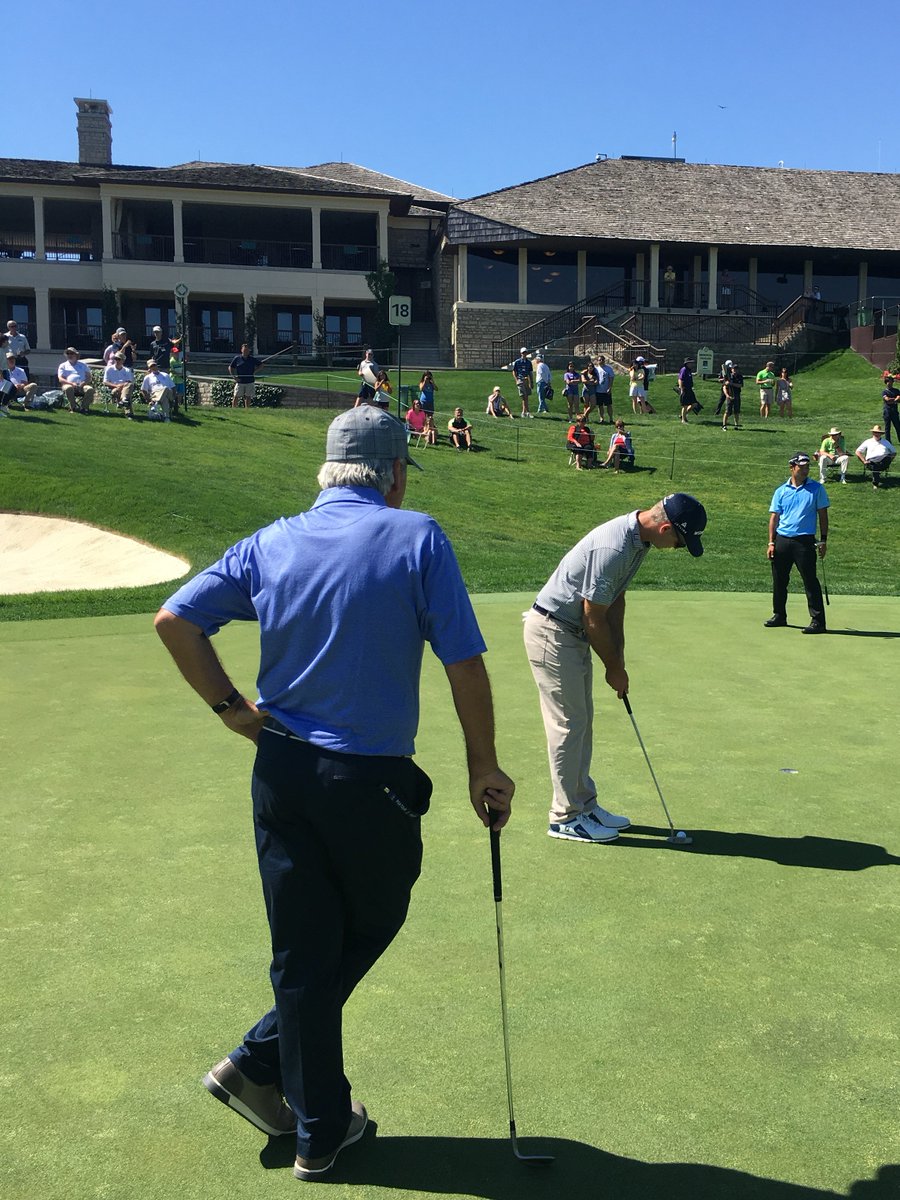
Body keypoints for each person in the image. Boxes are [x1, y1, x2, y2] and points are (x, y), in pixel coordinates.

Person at [154, 405, 514, 1180]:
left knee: (302, 950)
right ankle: (264, 1070)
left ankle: (309, 1121)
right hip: (367, 780)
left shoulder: (270, 542)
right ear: (392, 473)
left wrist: (233, 714)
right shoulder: (416, 535)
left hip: (280, 772)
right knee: (372, 921)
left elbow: (176, 621)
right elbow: (463, 663)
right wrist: (482, 765)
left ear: (327, 471)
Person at [524, 494, 707, 843]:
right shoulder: (616, 548)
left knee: (581, 721)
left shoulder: (639, 541)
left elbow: (615, 599)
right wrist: (613, 668)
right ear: (665, 528)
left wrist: (618, 658)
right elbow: (594, 617)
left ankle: (584, 804)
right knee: (568, 725)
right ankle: (564, 817)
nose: (678, 548)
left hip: (570, 632)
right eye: (680, 542)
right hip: (552, 631)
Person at [765, 453, 829, 634]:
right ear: (792, 467)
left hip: (804, 541)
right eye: (802, 466)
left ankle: (818, 621)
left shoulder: (817, 489)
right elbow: (774, 518)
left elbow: (823, 515)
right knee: (779, 580)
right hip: (782, 540)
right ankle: (779, 615)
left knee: (810, 581)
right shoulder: (781, 491)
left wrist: (823, 540)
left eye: (807, 466)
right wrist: (771, 542)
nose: (805, 469)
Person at [855, 425, 896, 489]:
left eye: (878, 433)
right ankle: (875, 483)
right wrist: (864, 461)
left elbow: (894, 452)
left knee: (886, 458)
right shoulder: (868, 441)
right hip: (871, 462)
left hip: (884, 461)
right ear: (873, 433)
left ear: (881, 434)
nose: (877, 434)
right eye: (875, 432)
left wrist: (890, 460)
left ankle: (875, 482)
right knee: (875, 465)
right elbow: (858, 452)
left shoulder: (886, 442)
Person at [57, 347, 95, 413]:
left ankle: (84, 408)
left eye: (71, 353)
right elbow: (60, 379)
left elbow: (89, 377)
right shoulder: (63, 365)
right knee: (69, 388)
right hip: (68, 385)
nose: (69, 355)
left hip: (82, 385)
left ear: (76, 355)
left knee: (90, 389)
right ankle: (73, 407)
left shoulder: (83, 365)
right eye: (68, 353)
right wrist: (71, 384)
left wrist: (83, 383)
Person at [102, 350, 136, 419]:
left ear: (123, 360)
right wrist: (116, 386)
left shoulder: (127, 370)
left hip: (124, 388)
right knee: (127, 393)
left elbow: (128, 382)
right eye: (116, 359)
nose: (117, 360)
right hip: (114, 389)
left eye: (119, 359)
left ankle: (123, 401)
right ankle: (128, 411)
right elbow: (105, 382)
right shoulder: (109, 369)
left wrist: (121, 386)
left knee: (129, 386)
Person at [229, 343, 263, 409]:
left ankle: (247, 409)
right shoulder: (237, 358)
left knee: (248, 396)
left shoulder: (252, 359)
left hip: (249, 381)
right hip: (240, 381)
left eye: (247, 350)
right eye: (244, 350)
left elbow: (261, 365)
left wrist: (255, 371)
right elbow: (230, 367)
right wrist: (234, 377)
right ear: (241, 350)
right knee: (236, 396)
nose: (246, 351)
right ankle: (233, 409)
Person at [511, 347, 533, 417]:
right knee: (524, 396)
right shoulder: (517, 362)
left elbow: (530, 372)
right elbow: (514, 371)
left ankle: (524, 412)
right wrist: (516, 380)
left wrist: (531, 382)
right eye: (523, 353)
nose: (524, 354)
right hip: (520, 379)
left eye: (525, 352)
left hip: (526, 379)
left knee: (526, 397)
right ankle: (528, 412)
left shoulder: (529, 362)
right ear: (521, 353)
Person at [880, 374, 900, 445]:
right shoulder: (884, 392)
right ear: (886, 382)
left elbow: (899, 398)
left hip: (894, 411)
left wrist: (893, 400)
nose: (890, 383)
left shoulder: (896, 390)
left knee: (898, 426)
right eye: (888, 381)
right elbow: (887, 399)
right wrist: (895, 400)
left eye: (891, 381)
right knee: (887, 428)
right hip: (887, 411)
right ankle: (888, 442)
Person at [596, 354, 615, 423]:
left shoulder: (608, 369)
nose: (601, 361)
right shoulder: (596, 369)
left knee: (609, 405)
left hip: (606, 390)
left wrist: (610, 387)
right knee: (600, 405)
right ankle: (602, 418)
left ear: (604, 361)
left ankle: (611, 419)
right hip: (598, 390)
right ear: (597, 361)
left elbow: (611, 378)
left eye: (602, 360)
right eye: (599, 360)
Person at [677, 358, 696, 423]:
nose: (691, 364)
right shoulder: (684, 370)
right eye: (690, 363)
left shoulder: (689, 370)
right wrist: (681, 388)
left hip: (690, 389)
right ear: (687, 364)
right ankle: (683, 420)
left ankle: (683, 415)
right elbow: (680, 379)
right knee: (685, 405)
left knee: (694, 404)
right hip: (685, 389)